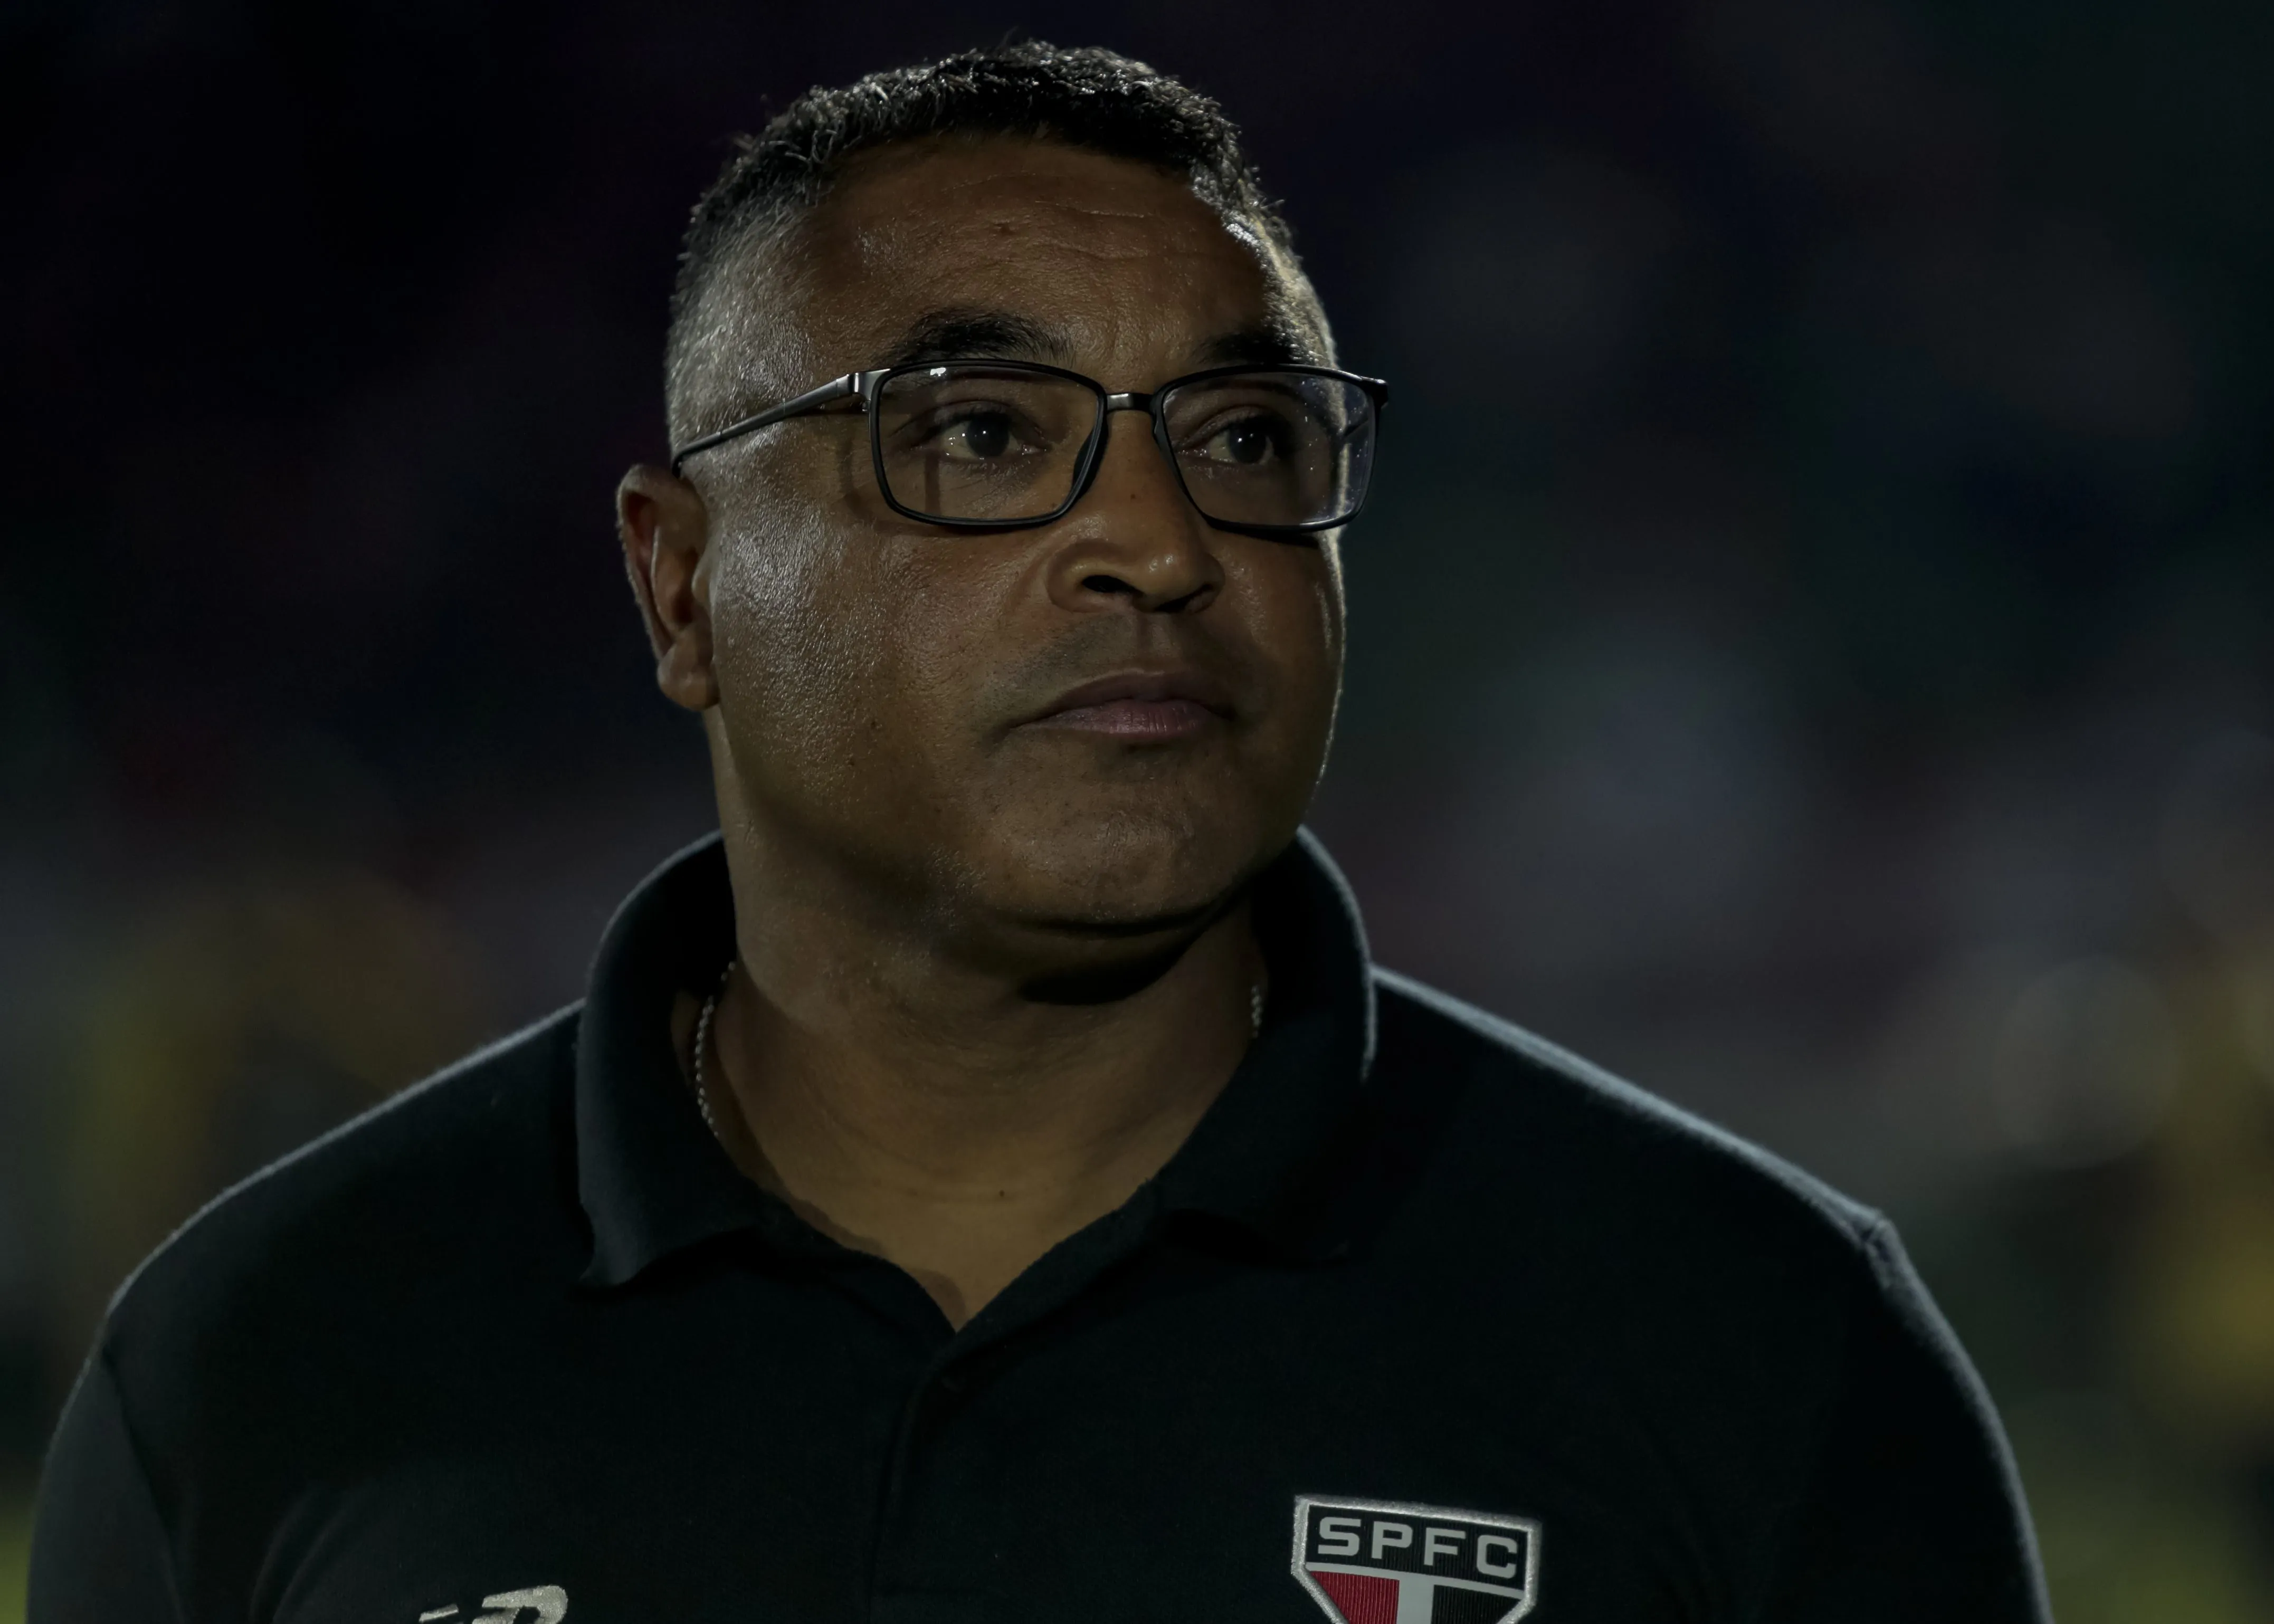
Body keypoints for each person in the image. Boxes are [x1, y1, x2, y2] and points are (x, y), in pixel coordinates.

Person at [29, 43, 2046, 1622]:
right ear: (681, 586)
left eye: (1248, 441)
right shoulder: (260, 1366)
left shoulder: (1760, 1347)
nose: (1160, 546)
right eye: (983, 437)